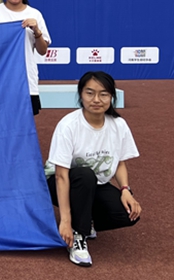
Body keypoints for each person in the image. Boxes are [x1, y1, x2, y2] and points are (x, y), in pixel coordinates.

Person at [44, 71, 141, 267]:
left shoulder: (119, 125)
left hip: (94, 184)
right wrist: (65, 220)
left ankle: (85, 220)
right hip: (58, 182)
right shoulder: (68, 125)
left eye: (103, 94)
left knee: (128, 214)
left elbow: (120, 162)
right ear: (81, 95)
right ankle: (78, 235)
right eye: (90, 93)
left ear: (112, 97)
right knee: (85, 174)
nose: (96, 99)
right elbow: (61, 176)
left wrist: (125, 190)